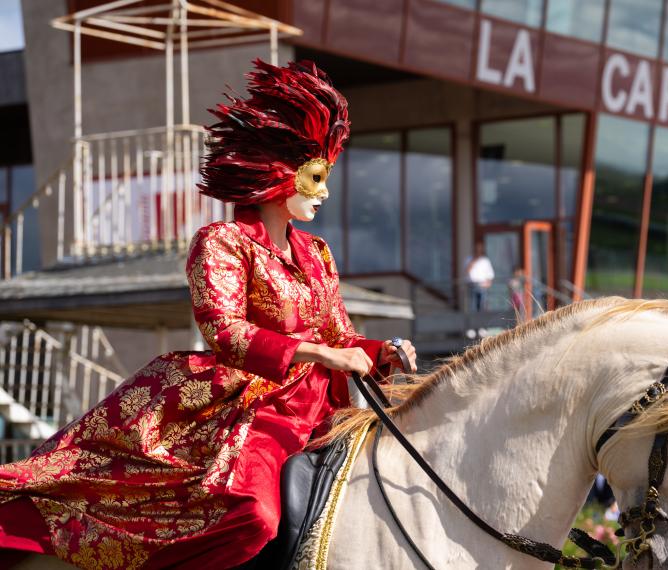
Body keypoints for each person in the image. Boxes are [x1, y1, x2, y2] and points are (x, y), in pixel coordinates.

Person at [0, 60, 417, 569]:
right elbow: (224, 330)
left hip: (318, 409)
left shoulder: (319, 252)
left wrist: (381, 352)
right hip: (249, 406)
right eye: (315, 176)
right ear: (278, 175)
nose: (323, 191)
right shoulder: (222, 242)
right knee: (255, 517)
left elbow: (339, 334)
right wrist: (316, 352)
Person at [465, 242, 494, 312]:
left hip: (482, 286)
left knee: (482, 305)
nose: (478, 251)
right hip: (472, 285)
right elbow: (467, 270)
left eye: (480, 250)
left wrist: (488, 283)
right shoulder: (469, 259)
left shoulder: (485, 260)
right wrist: (474, 260)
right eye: (477, 249)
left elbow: (490, 274)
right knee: (473, 305)